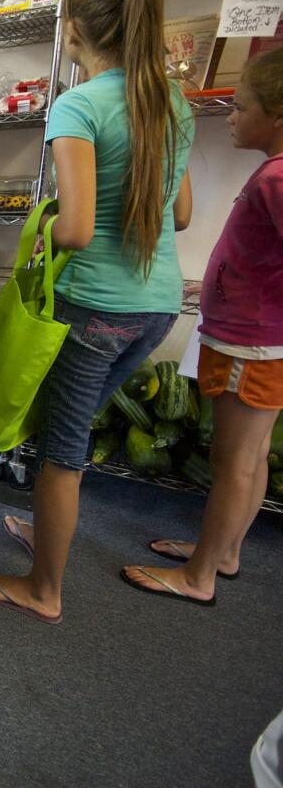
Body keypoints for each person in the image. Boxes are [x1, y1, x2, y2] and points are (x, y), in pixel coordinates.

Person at [0, 0, 194, 623]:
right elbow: (178, 214)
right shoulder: (172, 103)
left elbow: (75, 228)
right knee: (76, 423)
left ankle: (44, 588)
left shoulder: (79, 105)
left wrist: (40, 213)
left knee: (60, 453)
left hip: (94, 306)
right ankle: (50, 531)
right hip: (156, 305)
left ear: (76, 29)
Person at [121, 47, 283, 605]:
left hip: (252, 344)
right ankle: (225, 553)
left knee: (233, 461)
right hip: (253, 335)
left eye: (241, 107)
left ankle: (200, 577)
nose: (232, 117)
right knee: (251, 455)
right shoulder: (271, 174)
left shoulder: (277, 179)